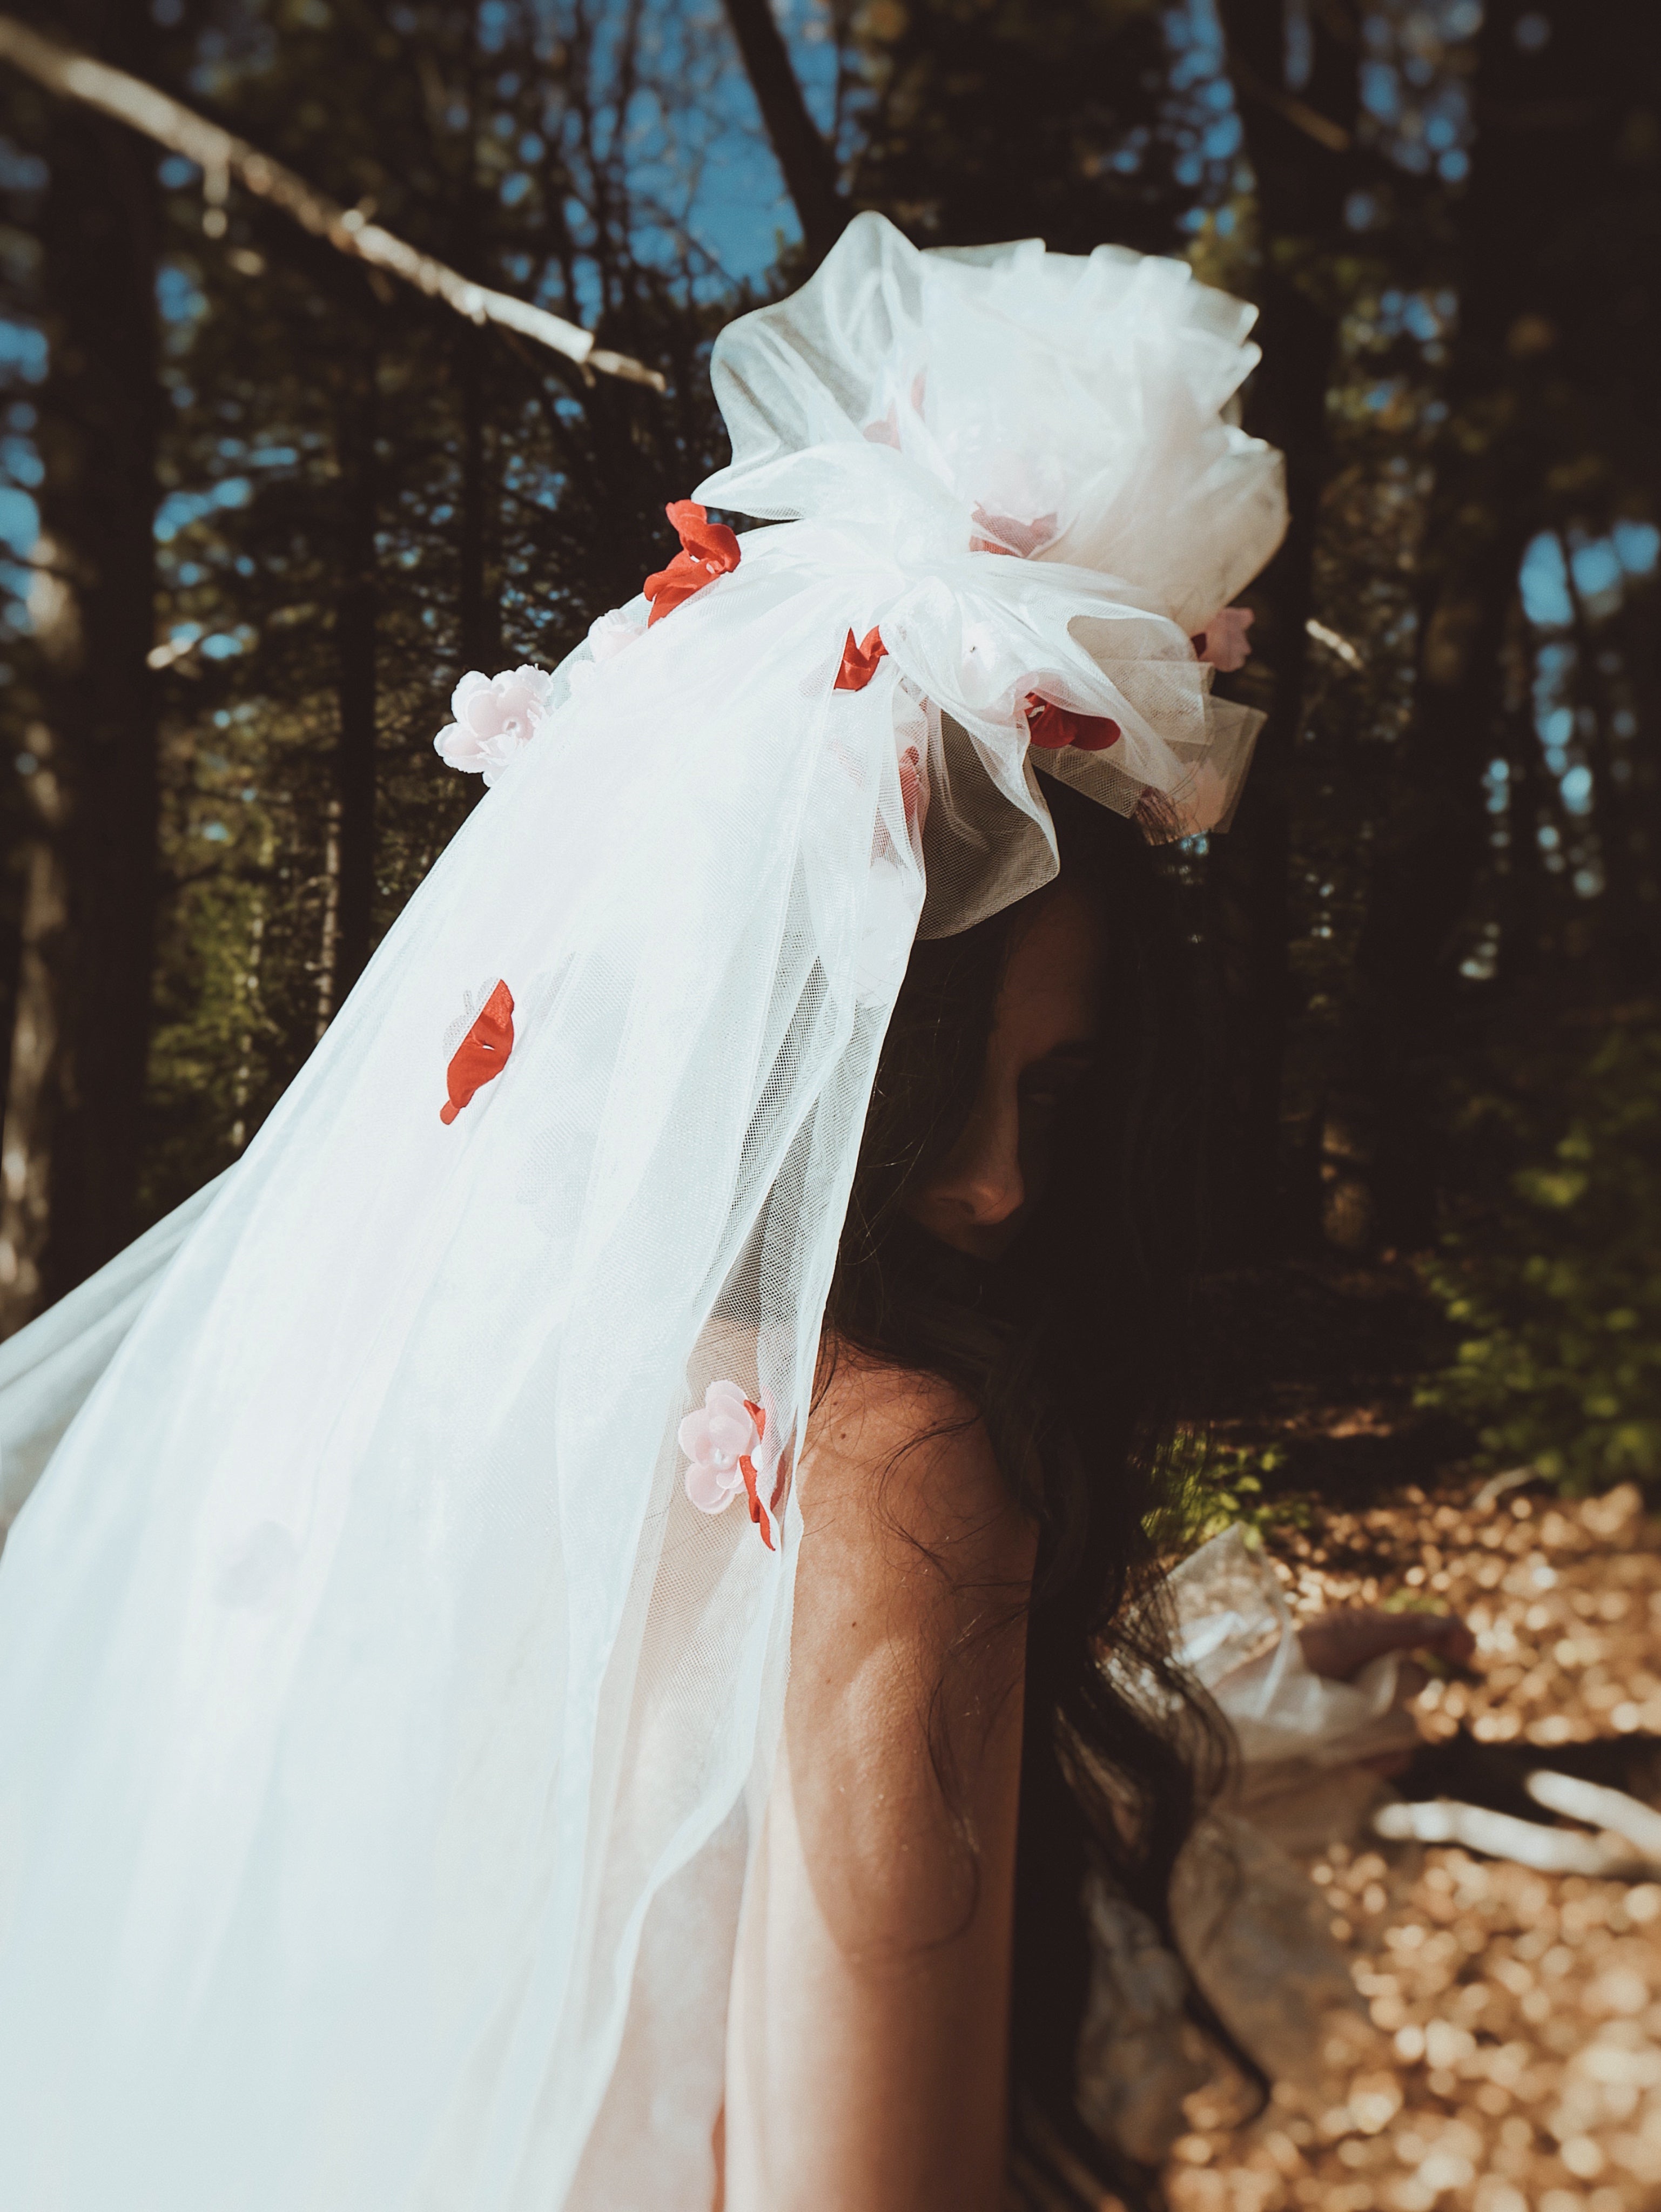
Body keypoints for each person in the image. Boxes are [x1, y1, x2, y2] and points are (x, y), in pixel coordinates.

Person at [0, 211, 1463, 2212]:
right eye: (920, 1082)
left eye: (1061, 1097)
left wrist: (1256, 1719)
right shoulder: (888, 1467)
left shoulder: (416, 1356)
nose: (996, 1183)